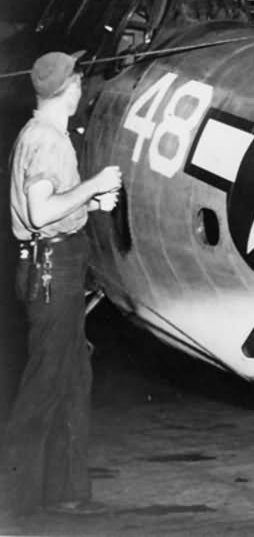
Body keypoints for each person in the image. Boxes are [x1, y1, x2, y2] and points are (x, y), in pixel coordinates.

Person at [5, 51, 122, 517]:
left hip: (59, 263)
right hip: (53, 270)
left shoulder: (45, 134)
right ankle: (15, 498)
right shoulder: (47, 141)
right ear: (68, 89)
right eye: (78, 79)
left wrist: (87, 207)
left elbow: (56, 207)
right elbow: (39, 212)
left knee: (73, 379)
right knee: (45, 384)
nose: (82, 87)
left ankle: (67, 492)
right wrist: (93, 186)